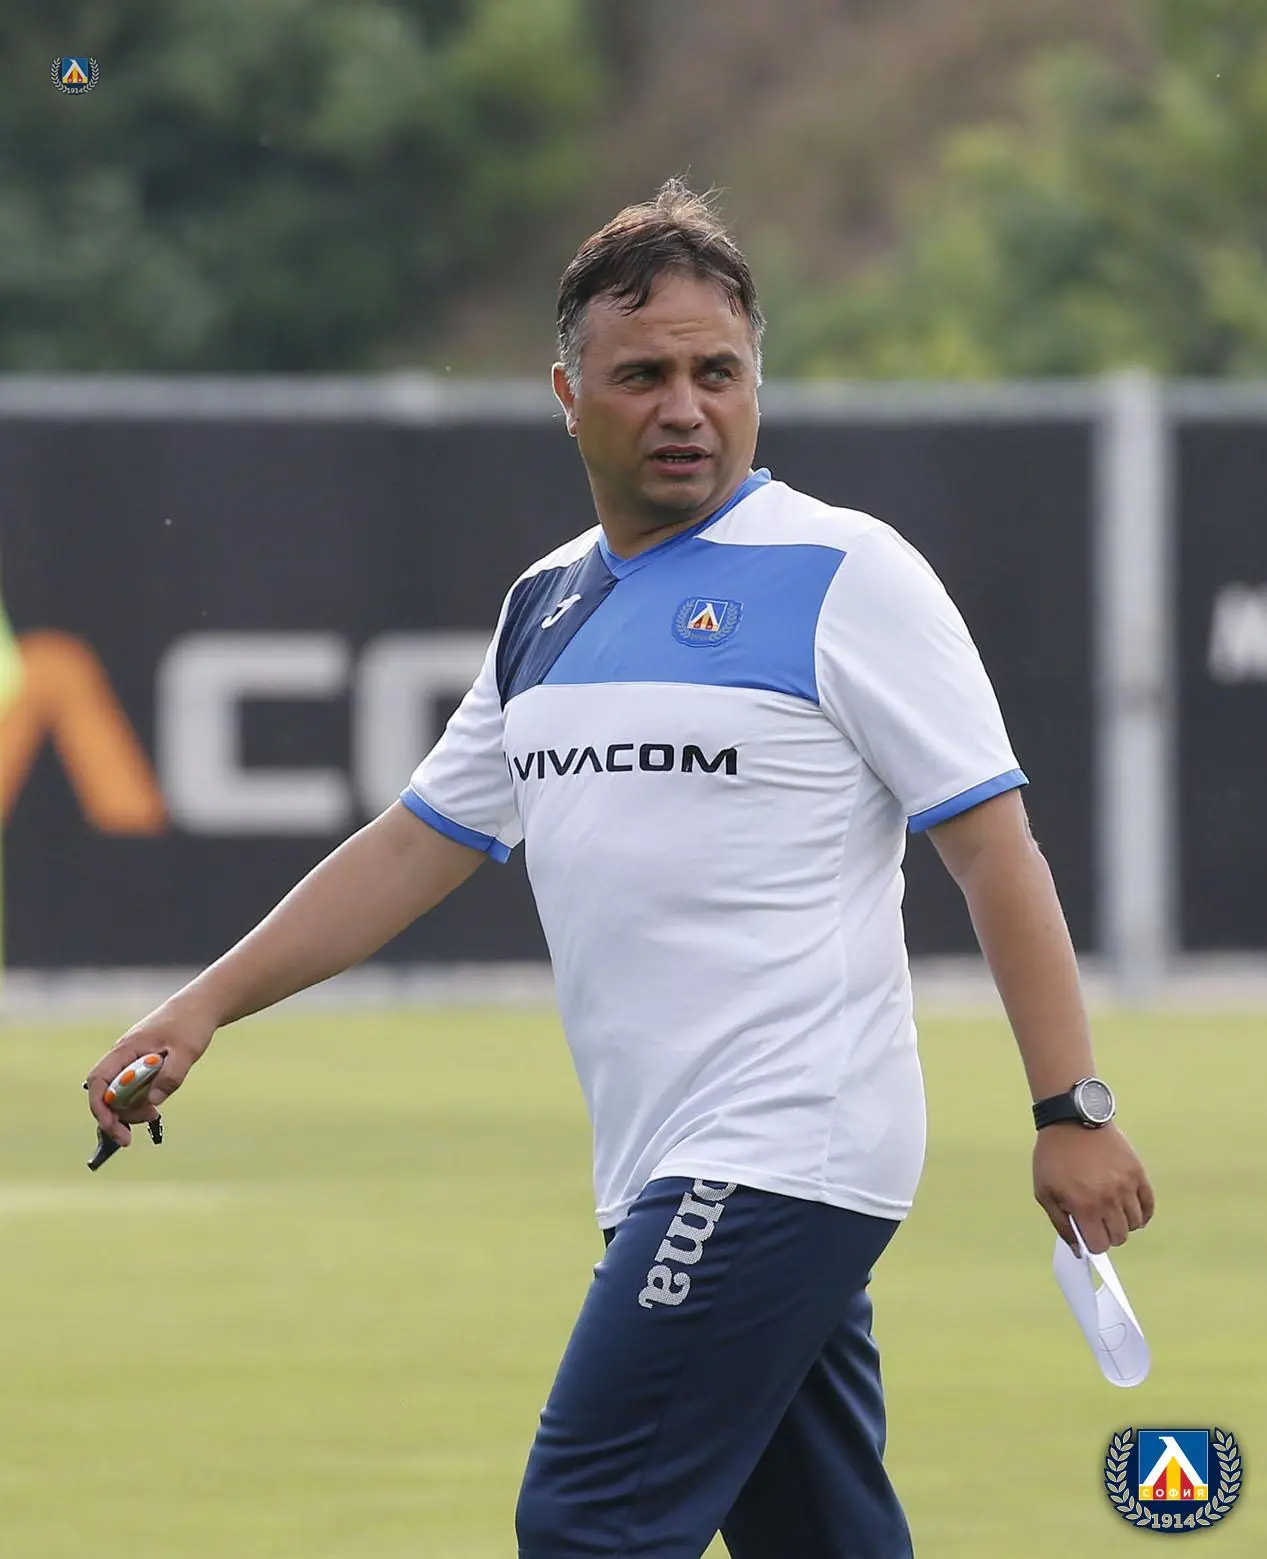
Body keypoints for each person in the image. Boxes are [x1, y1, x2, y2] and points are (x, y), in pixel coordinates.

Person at [88, 179, 1155, 1559]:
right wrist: (203, 1007)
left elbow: (992, 849)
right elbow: (417, 841)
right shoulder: (545, 604)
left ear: (756, 385)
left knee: (586, 1518)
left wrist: (1069, 1107)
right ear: (568, 393)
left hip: (782, 1144)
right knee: (818, 1535)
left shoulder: (845, 572)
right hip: (662, 1159)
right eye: (643, 375)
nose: (684, 407)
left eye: (718, 373)